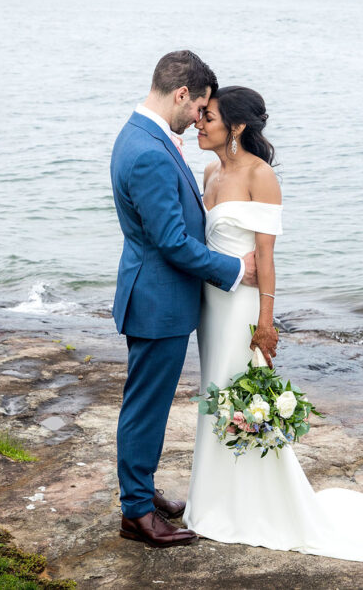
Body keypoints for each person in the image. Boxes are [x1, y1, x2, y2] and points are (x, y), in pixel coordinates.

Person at [183, 86, 363, 563]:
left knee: (239, 394)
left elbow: (266, 258)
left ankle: (260, 505)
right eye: (199, 115)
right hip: (211, 306)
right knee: (215, 394)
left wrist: (266, 323)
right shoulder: (208, 172)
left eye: (208, 117)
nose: (198, 123)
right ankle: (215, 501)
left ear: (238, 127)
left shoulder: (260, 176)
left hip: (243, 310)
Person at [110, 50, 258, 548]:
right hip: (158, 301)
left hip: (154, 294)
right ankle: (136, 513)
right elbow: (172, 242)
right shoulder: (150, 149)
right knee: (145, 407)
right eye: (197, 108)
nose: (198, 118)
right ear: (181, 95)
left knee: (145, 401)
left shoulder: (142, 133)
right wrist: (235, 268)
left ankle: (144, 493)